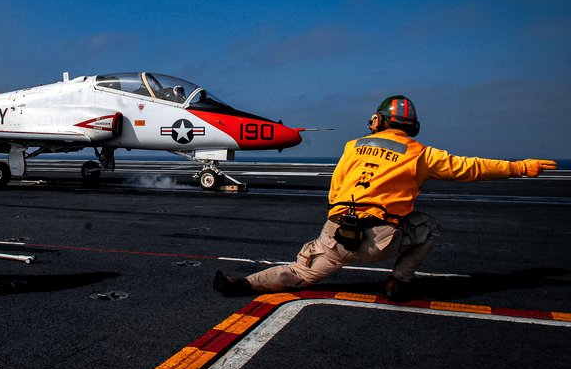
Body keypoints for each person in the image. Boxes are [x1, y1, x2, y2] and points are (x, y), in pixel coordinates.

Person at [214, 95, 557, 301]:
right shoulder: (420, 153)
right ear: (412, 126)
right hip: (381, 241)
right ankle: (397, 283)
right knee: (430, 226)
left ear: (377, 120)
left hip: (336, 237)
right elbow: (471, 168)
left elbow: (335, 189)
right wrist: (522, 168)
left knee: (299, 273)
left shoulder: (354, 145)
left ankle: (242, 283)